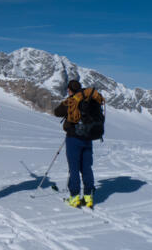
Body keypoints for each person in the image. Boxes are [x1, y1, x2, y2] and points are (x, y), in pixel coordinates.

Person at [53, 79, 104, 208]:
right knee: (86, 168)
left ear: (70, 90)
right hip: (88, 138)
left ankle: (74, 198)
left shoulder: (72, 101)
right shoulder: (91, 99)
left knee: (74, 168)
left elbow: (57, 112)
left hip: (73, 139)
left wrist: (69, 100)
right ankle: (88, 197)